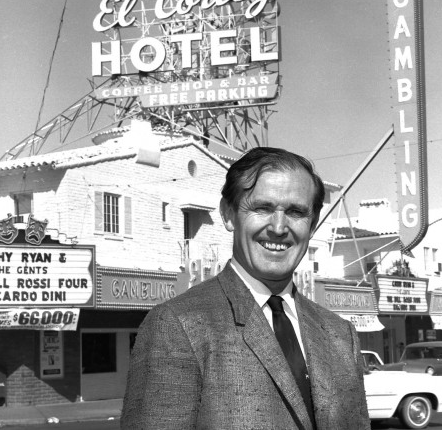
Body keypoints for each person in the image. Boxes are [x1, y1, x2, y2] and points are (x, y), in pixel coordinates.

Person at [121, 147, 370, 430]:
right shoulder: (177, 326)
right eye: (262, 208)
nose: (278, 227)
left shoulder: (340, 335)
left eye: (296, 212)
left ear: (312, 225)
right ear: (228, 215)